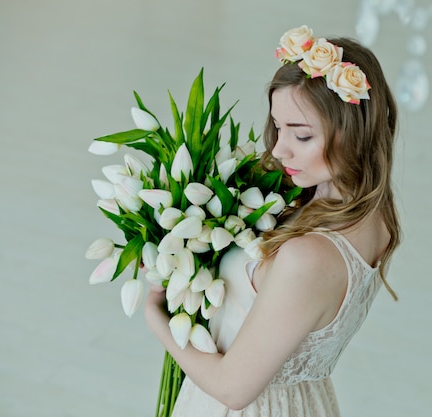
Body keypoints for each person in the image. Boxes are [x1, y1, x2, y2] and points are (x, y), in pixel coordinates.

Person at [144, 25, 401, 416]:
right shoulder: (373, 213)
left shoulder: (308, 257)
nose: (279, 150)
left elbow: (232, 389)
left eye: (301, 136)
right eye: (279, 128)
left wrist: (156, 314)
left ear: (352, 133)